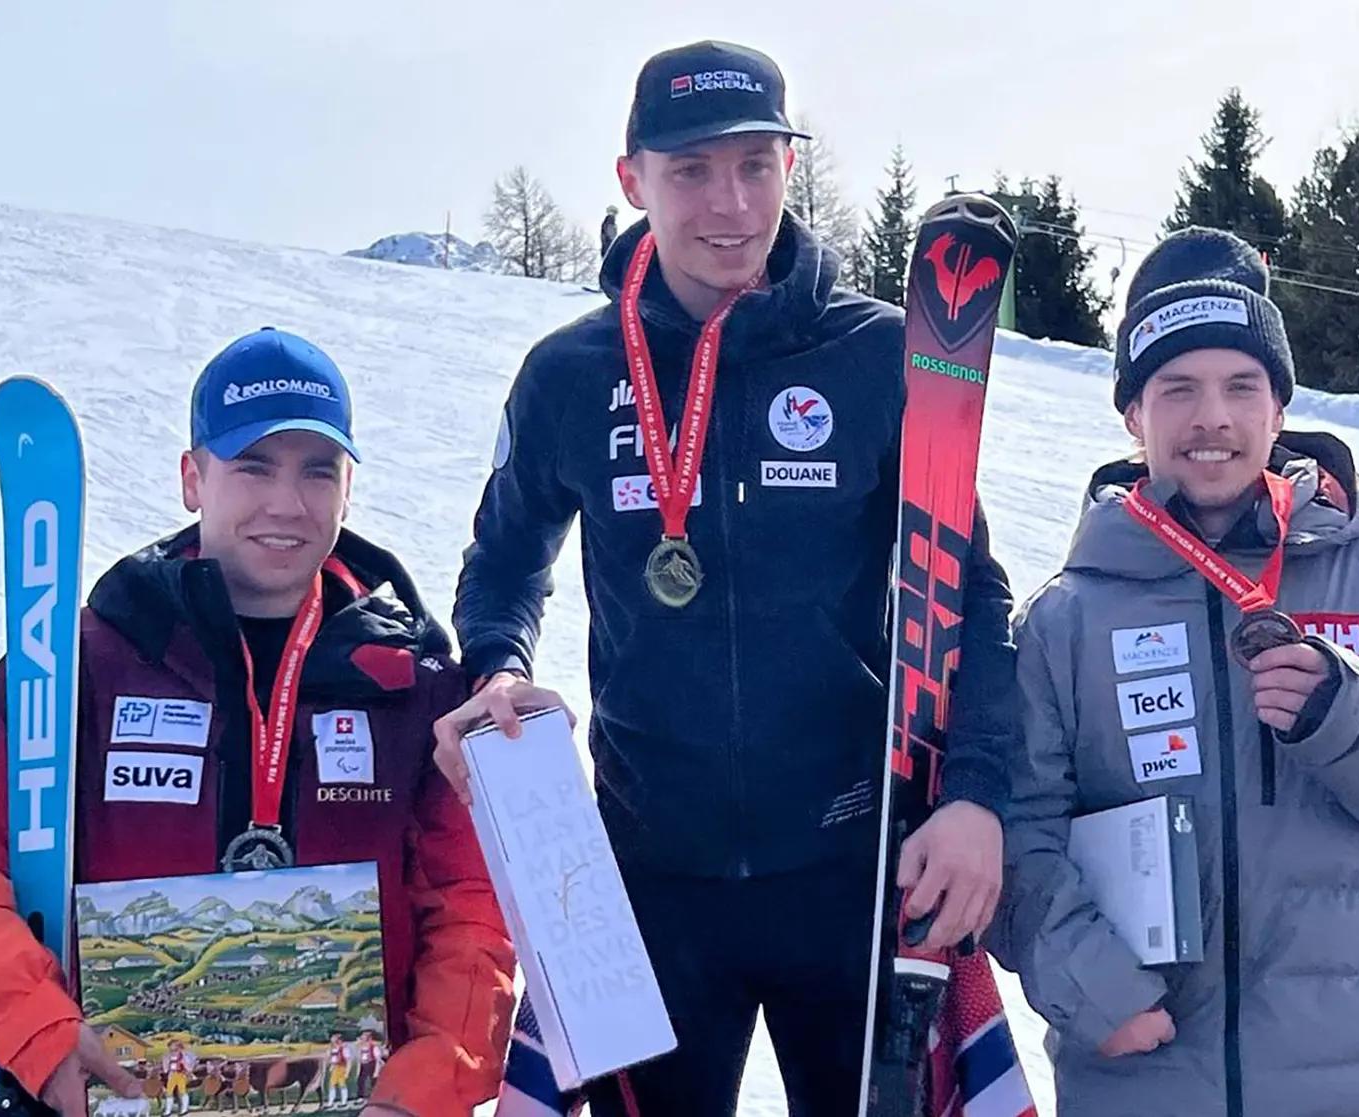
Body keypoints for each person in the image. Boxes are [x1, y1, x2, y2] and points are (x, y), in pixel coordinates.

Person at [435, 39, 1017, 1117]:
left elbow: (969, 591)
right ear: (632, 180)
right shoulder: (573, 372)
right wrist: (494, 668)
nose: (729, 202)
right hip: (651, 883)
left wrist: (978, 794)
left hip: (850, 869)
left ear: (792, 168)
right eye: (692, 169)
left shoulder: (877, 357)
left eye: (755, 164)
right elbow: (506, 559)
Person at [987, 227, 1359, 1117]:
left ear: (1278, 408)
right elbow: (1019, 833)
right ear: (1133, 414)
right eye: (1178, 389)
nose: (1214, 418)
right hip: (1146, 1075)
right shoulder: (1067, 621)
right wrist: (1091, 985)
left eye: (1243, 386)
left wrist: (1355, 721)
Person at [0, 328, 515, 1117]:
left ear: (349, 485)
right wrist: (39, 1031)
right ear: (193, 478)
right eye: (253, 466)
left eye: (317, 471)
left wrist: (426, 1088)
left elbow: (472, 912)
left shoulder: (414, 689)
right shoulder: (84, 661)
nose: (286, 503)